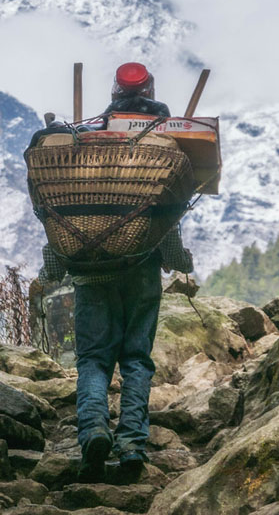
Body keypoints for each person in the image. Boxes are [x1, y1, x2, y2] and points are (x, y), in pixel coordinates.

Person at [37, 62, 193, 483]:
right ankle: (131, 447)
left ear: (113, 92)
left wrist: (51, 271)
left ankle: (92, 434)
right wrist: (183, 263)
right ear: (152, 90)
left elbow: (59, 223)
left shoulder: (88, 148)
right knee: (137, 361)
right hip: (141, 273)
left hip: (90, 277)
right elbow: (165, 229)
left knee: (93, 360)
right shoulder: (160, 149)